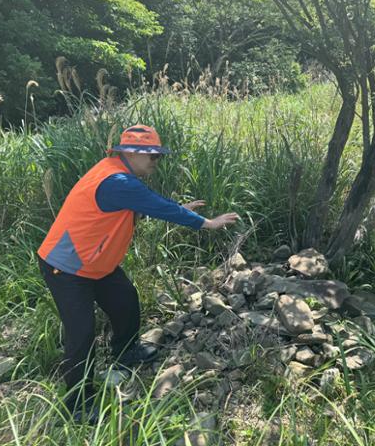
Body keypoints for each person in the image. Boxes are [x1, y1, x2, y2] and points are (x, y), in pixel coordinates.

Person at [37, 124, 239, 422]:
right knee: (81, 334)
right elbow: (152, 203)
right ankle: (77, 404)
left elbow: (138, 206)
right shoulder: (117, 179)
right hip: (65, 267)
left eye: (159, 155)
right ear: (131, 152)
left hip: (95, 263)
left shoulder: (117, 175)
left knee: (126, 301)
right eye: (152, 155)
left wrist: (177, 208)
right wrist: (206, 223)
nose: (156, 161)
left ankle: (125, 352)